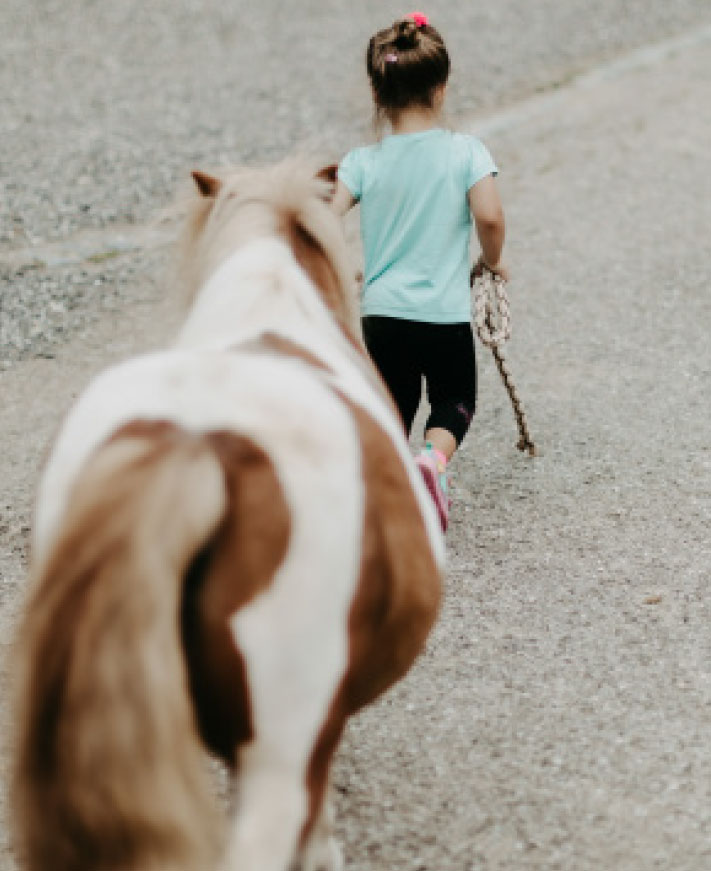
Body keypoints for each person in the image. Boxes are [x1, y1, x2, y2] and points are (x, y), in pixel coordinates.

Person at [332, 11, 508, 532]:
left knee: (393, 404)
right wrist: (493, 261)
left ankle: (380, 492)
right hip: (443, 311)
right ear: (442, 87)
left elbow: (320, 219)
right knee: (454, 400)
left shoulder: (360, 162)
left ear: (376, 92)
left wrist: (348, 270)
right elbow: (491, 215)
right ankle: (431, 463)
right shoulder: (466, 152)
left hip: (382, 312)